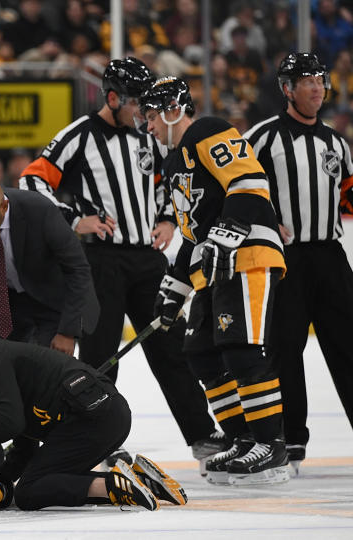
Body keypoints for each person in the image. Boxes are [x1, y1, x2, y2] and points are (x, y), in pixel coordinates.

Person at [19, 57, 220, 466]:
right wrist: (75, 219)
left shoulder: (148, 138)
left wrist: (166, 218)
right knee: (99, 358)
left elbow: (169, 180)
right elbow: (31, 181)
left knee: (172, 348)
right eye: (137, 105)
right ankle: (95, 442)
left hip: (148, 260)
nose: (146, 115)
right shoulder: (78, 135)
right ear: (111, 98)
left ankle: (202, 436)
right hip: (102, 261)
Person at [141, 76, 290, 486]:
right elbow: (192, 234)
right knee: (202, 354)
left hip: (246, 254)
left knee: (242, 349)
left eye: (152, 116)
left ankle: (270, 445)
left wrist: (230, 227)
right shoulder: (173, 164)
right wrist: (174, 289)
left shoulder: (209, 129)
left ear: (174, 108)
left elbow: (248, 180)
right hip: (213, 267)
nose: (148, 126)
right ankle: (243, 438)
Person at [0, 326, 187, 512]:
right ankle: (140, 480)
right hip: (106, 414)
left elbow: (10, 423)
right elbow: (24, 445)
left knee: (29, 492)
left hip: (94, 418)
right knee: (47, 478)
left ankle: (115, 485)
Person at [244, 52, 353, 476]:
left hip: (330, 256)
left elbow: (347, 194)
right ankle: (290, 441)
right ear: (287, 89)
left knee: (348, 345)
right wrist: (266, 222)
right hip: (285, 261)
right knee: (285, 349)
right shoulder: (262, 137)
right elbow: (234, 187)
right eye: (306, 81)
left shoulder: (336, 143)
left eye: (320, 80)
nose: (316, 88)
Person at [0, 176, 98, 470]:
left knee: (44, 378)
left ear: (4, 206)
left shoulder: (39, 210)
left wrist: (68, 331)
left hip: (51, 299)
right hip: (4, 299)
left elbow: (77, 269)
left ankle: (49, 455)